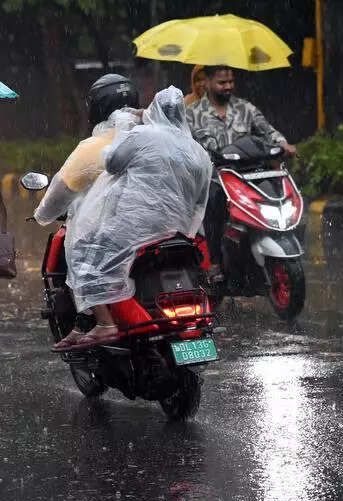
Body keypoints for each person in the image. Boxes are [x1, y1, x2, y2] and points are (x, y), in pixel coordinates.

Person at [64, 86, 211, 348]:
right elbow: (200, 200)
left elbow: (112, 163)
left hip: (133, 229)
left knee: (84, 252)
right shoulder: (198, 152)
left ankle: (105, 324)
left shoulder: (142, 136)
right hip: (178, 232)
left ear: (153, 110)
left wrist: (125, 129)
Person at [33, 73, 141, 350]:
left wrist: (41, 215)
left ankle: (104, 323)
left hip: (115, 233)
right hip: (160, 227)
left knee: (79, 253)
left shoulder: (93, 149)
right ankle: (86, 322)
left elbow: (58, 193)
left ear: (96, 108)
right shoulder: (153, 137)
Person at [185, 64, 295, 266]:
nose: (228, 86)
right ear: (208, 82)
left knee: (279, 193)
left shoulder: (246, 108)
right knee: (213, 199)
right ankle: (216, 264)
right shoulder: (192, 114)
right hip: (217, 177)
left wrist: (282, 143)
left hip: (250, 175)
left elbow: (268, 131)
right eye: (221, 82)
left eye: (230, 82)